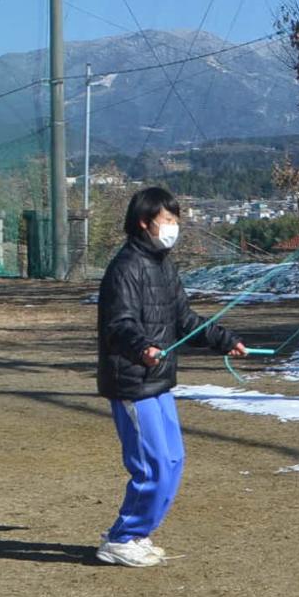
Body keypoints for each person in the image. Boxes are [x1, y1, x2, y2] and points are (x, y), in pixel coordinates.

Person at [94, 186, 245, 566]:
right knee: (152, 465)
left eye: (176, 221)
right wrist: (141, 348)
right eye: (167, 221)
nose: (173, 228)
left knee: (173, 460)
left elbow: (185, 320)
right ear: (145, 222)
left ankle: (137, 534)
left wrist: (224, 341)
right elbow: (119, 324)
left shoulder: (164, 265)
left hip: (159, 379)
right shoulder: (125, 268)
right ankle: (121, 537)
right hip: (132, 379)